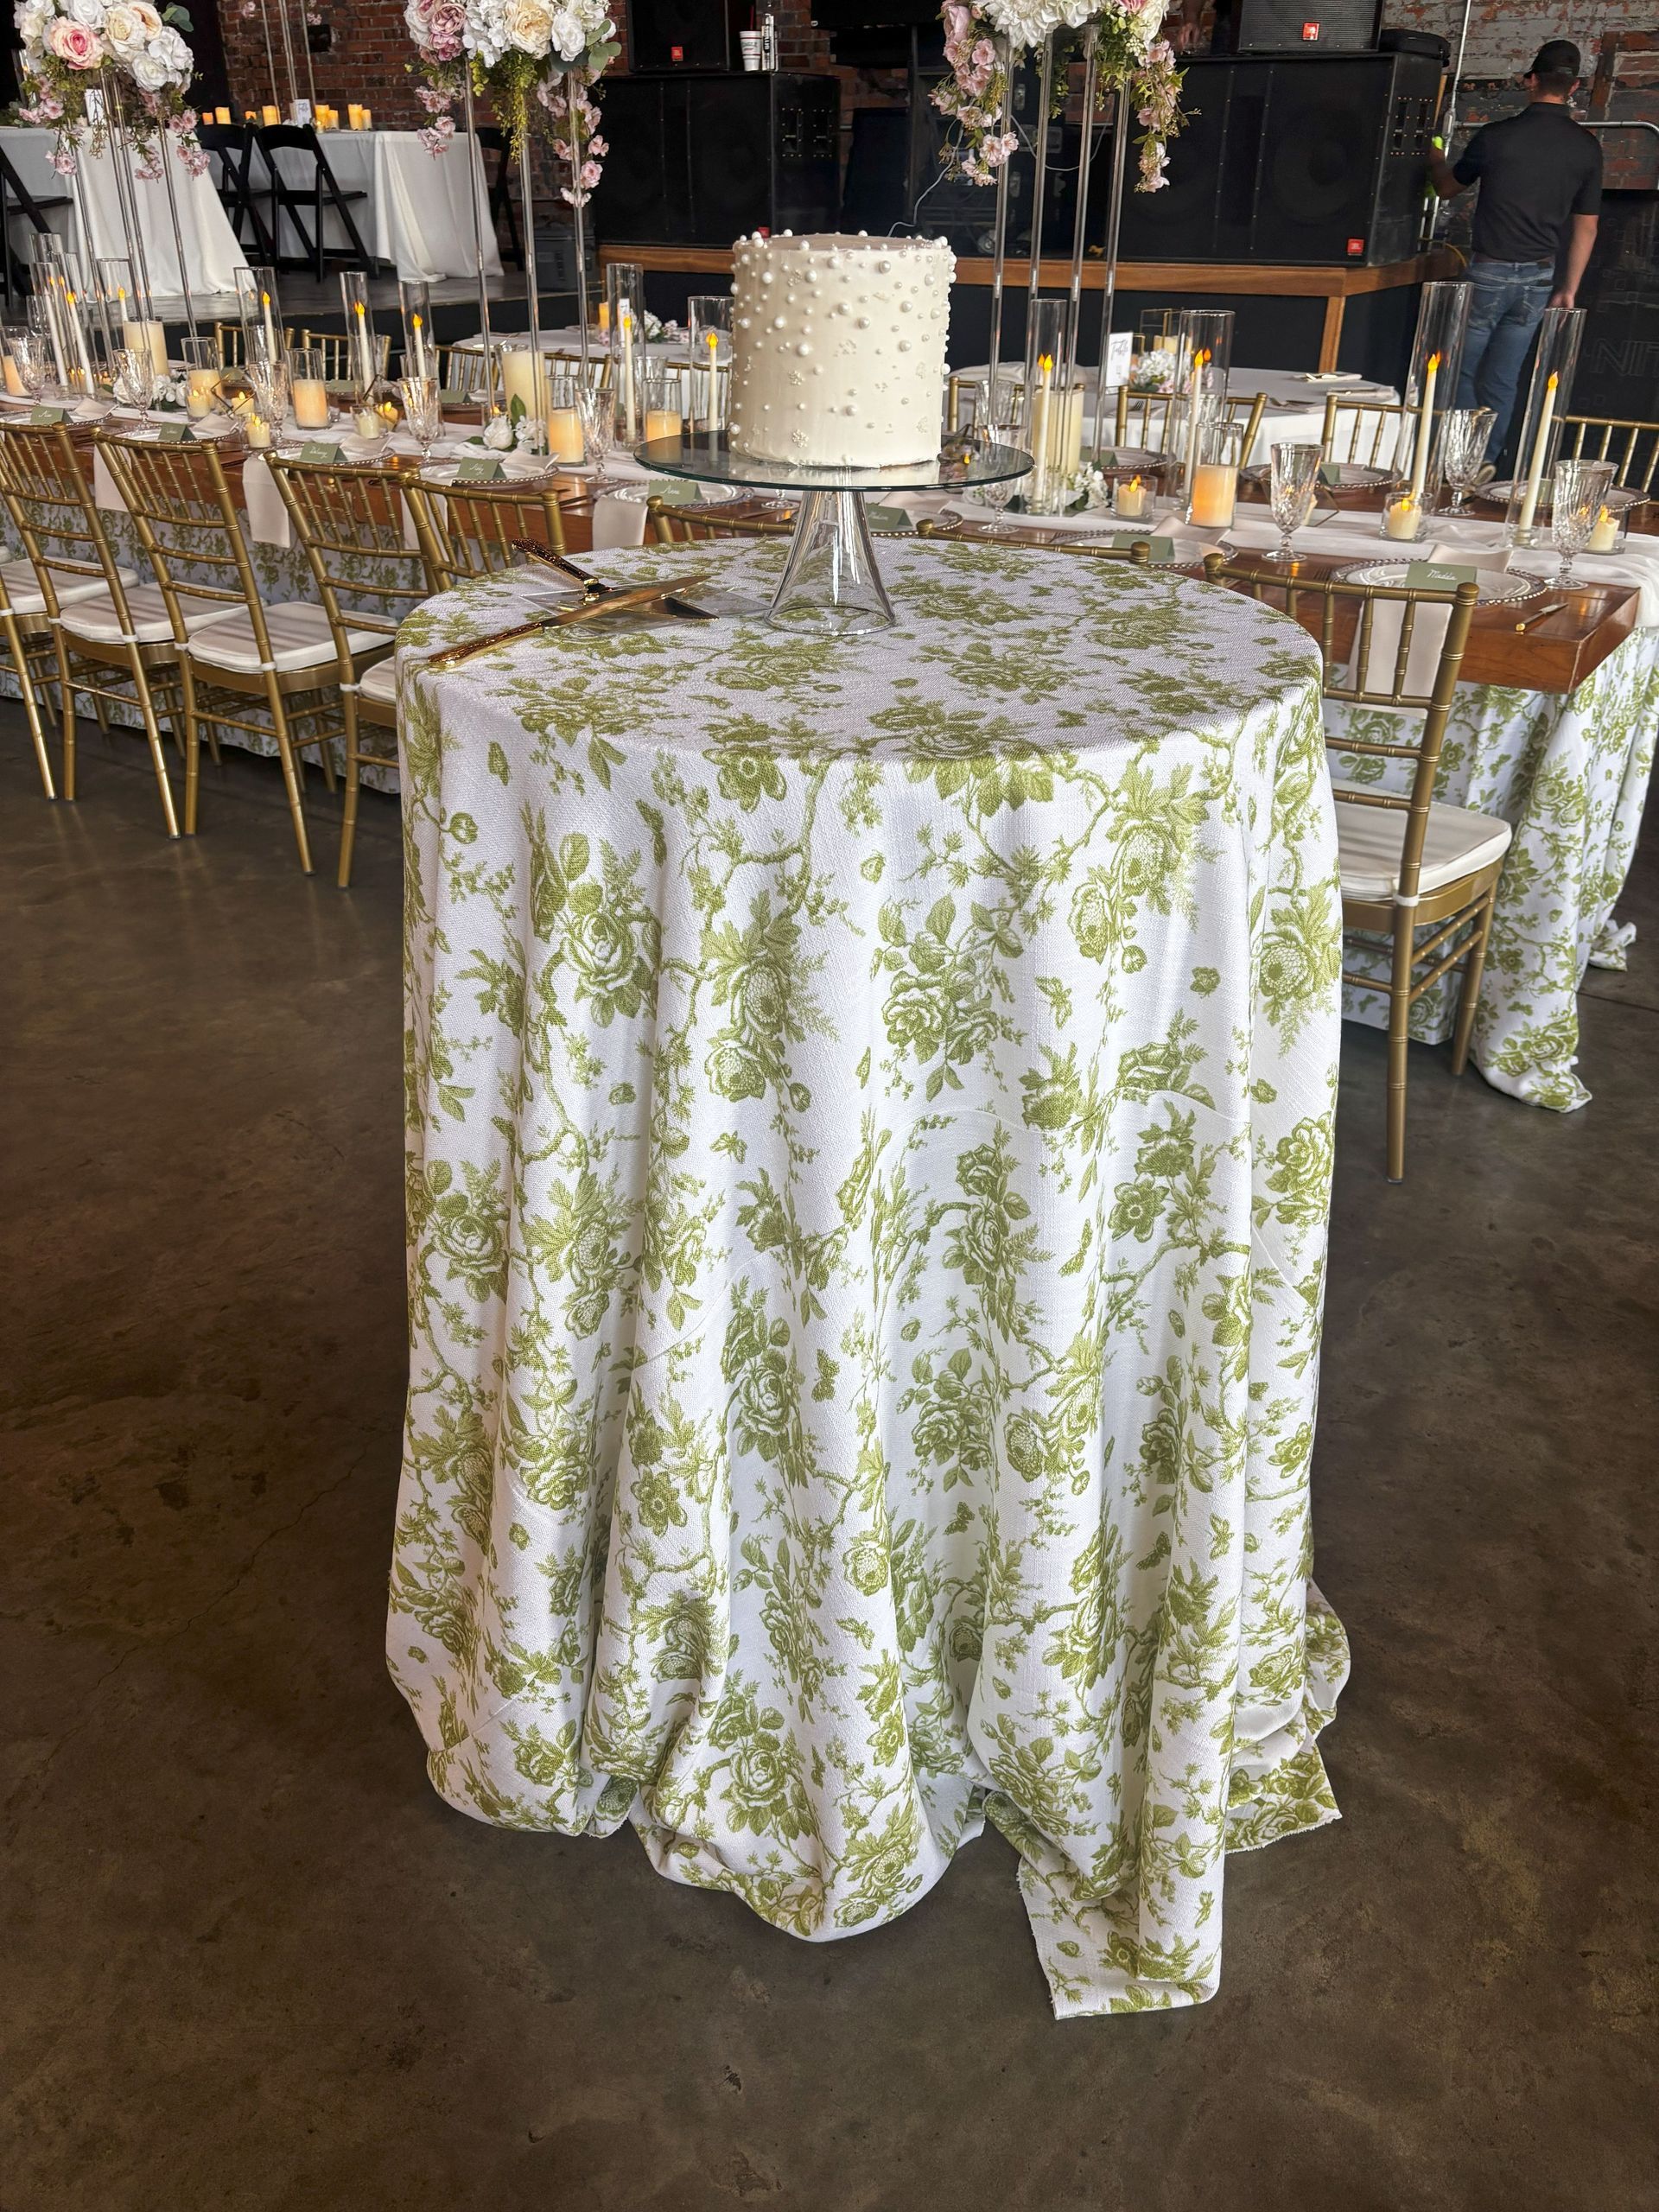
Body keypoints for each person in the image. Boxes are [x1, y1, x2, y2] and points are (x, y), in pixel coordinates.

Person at [1428, 39, 1602, 445]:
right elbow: (1587, 226)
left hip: (1489, 271)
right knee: (1503, 379)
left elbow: (1447, 189)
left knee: (1456, 372)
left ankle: (1460, 462)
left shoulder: (1495, 137)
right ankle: (1487, 460)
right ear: (1573, 87)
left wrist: (1433, 154)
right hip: (1540, 279)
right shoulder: (1586, 147)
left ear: (1531, 80)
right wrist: (1569, 288)